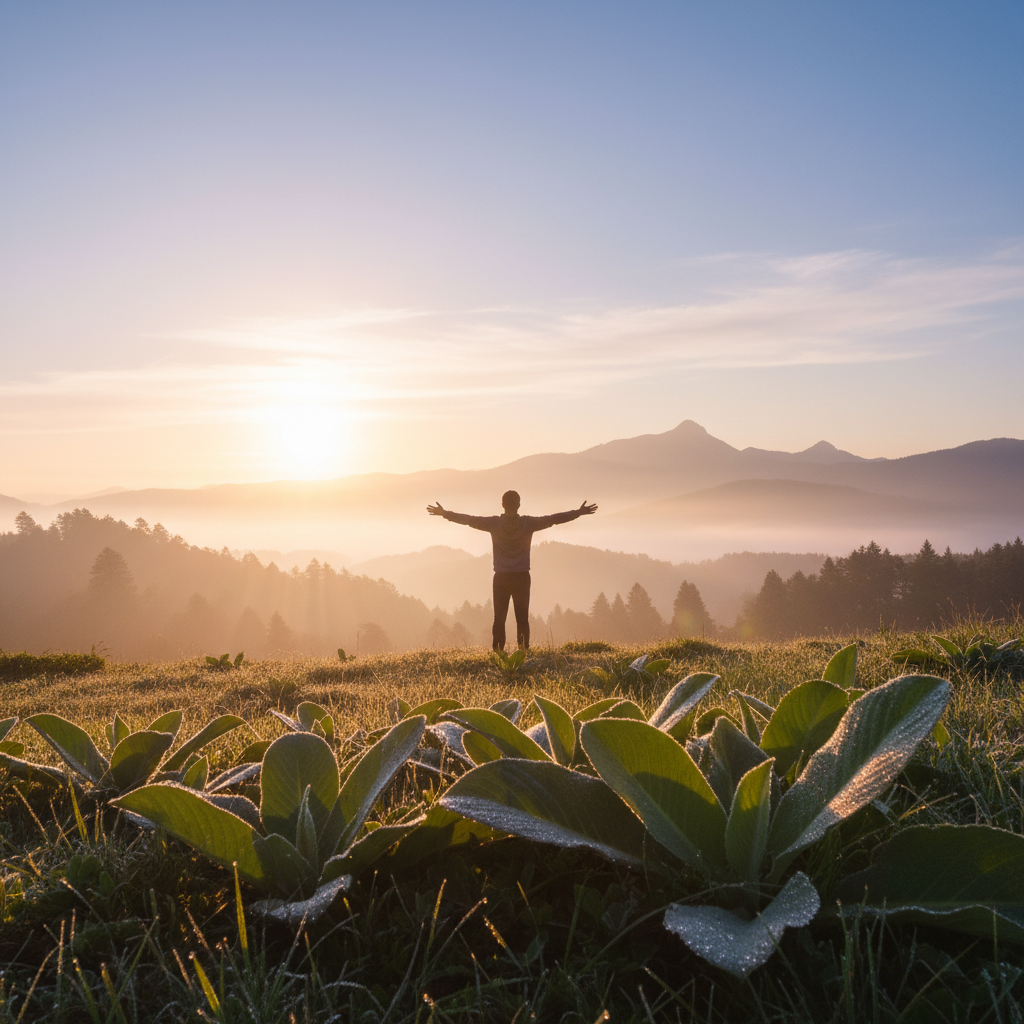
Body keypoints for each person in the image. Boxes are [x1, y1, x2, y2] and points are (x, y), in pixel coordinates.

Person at [427, 491, 597, 650]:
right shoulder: (528, 523)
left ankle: (498, 653)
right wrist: (578, 512)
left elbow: (469, 520)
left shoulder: (494, 523)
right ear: (519, 505)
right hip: (522, 577)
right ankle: (522, 651)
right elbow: (553, 519)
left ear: (502, 504)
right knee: (522, 618)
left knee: (499, 619)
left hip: (501, 577)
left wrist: (445, 514)